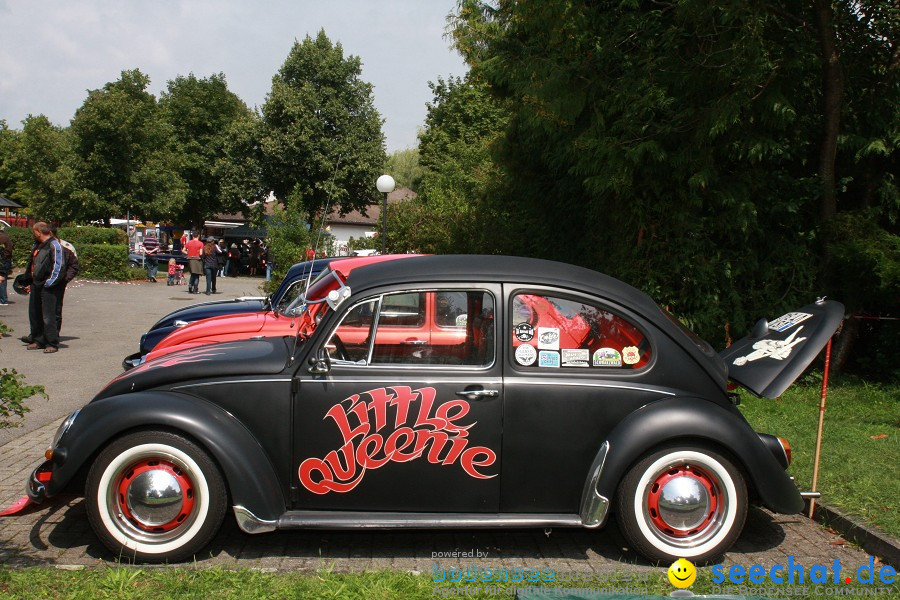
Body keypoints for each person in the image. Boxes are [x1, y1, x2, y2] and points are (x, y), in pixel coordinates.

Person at [21, 221, 66, 353]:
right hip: (36, 283)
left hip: (48, 285)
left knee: (48, 316)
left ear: (39, 231)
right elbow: (32, 264)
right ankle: (38, 340)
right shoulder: (38, 245)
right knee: (35, 313)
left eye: (34, 231)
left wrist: (49, 283)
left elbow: (59, 266)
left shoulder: (54, 245)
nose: (33, 234)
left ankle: (51, 342)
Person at [50, 224, 79, 333]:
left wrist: (64, 279)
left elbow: (74, 266)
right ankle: (37, 335)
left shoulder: (66, 247)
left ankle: (54, 335)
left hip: (58, 283)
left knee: (56, 308)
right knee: (38, 309)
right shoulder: (40, 245)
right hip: (41, 283)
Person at [0, 223, 12, 306]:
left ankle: (3, 300)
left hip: (2, 261)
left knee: (1, 280)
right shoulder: (5, 237)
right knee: (2, 280)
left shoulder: (2, 237)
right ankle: (3, 299)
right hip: (5, 260)